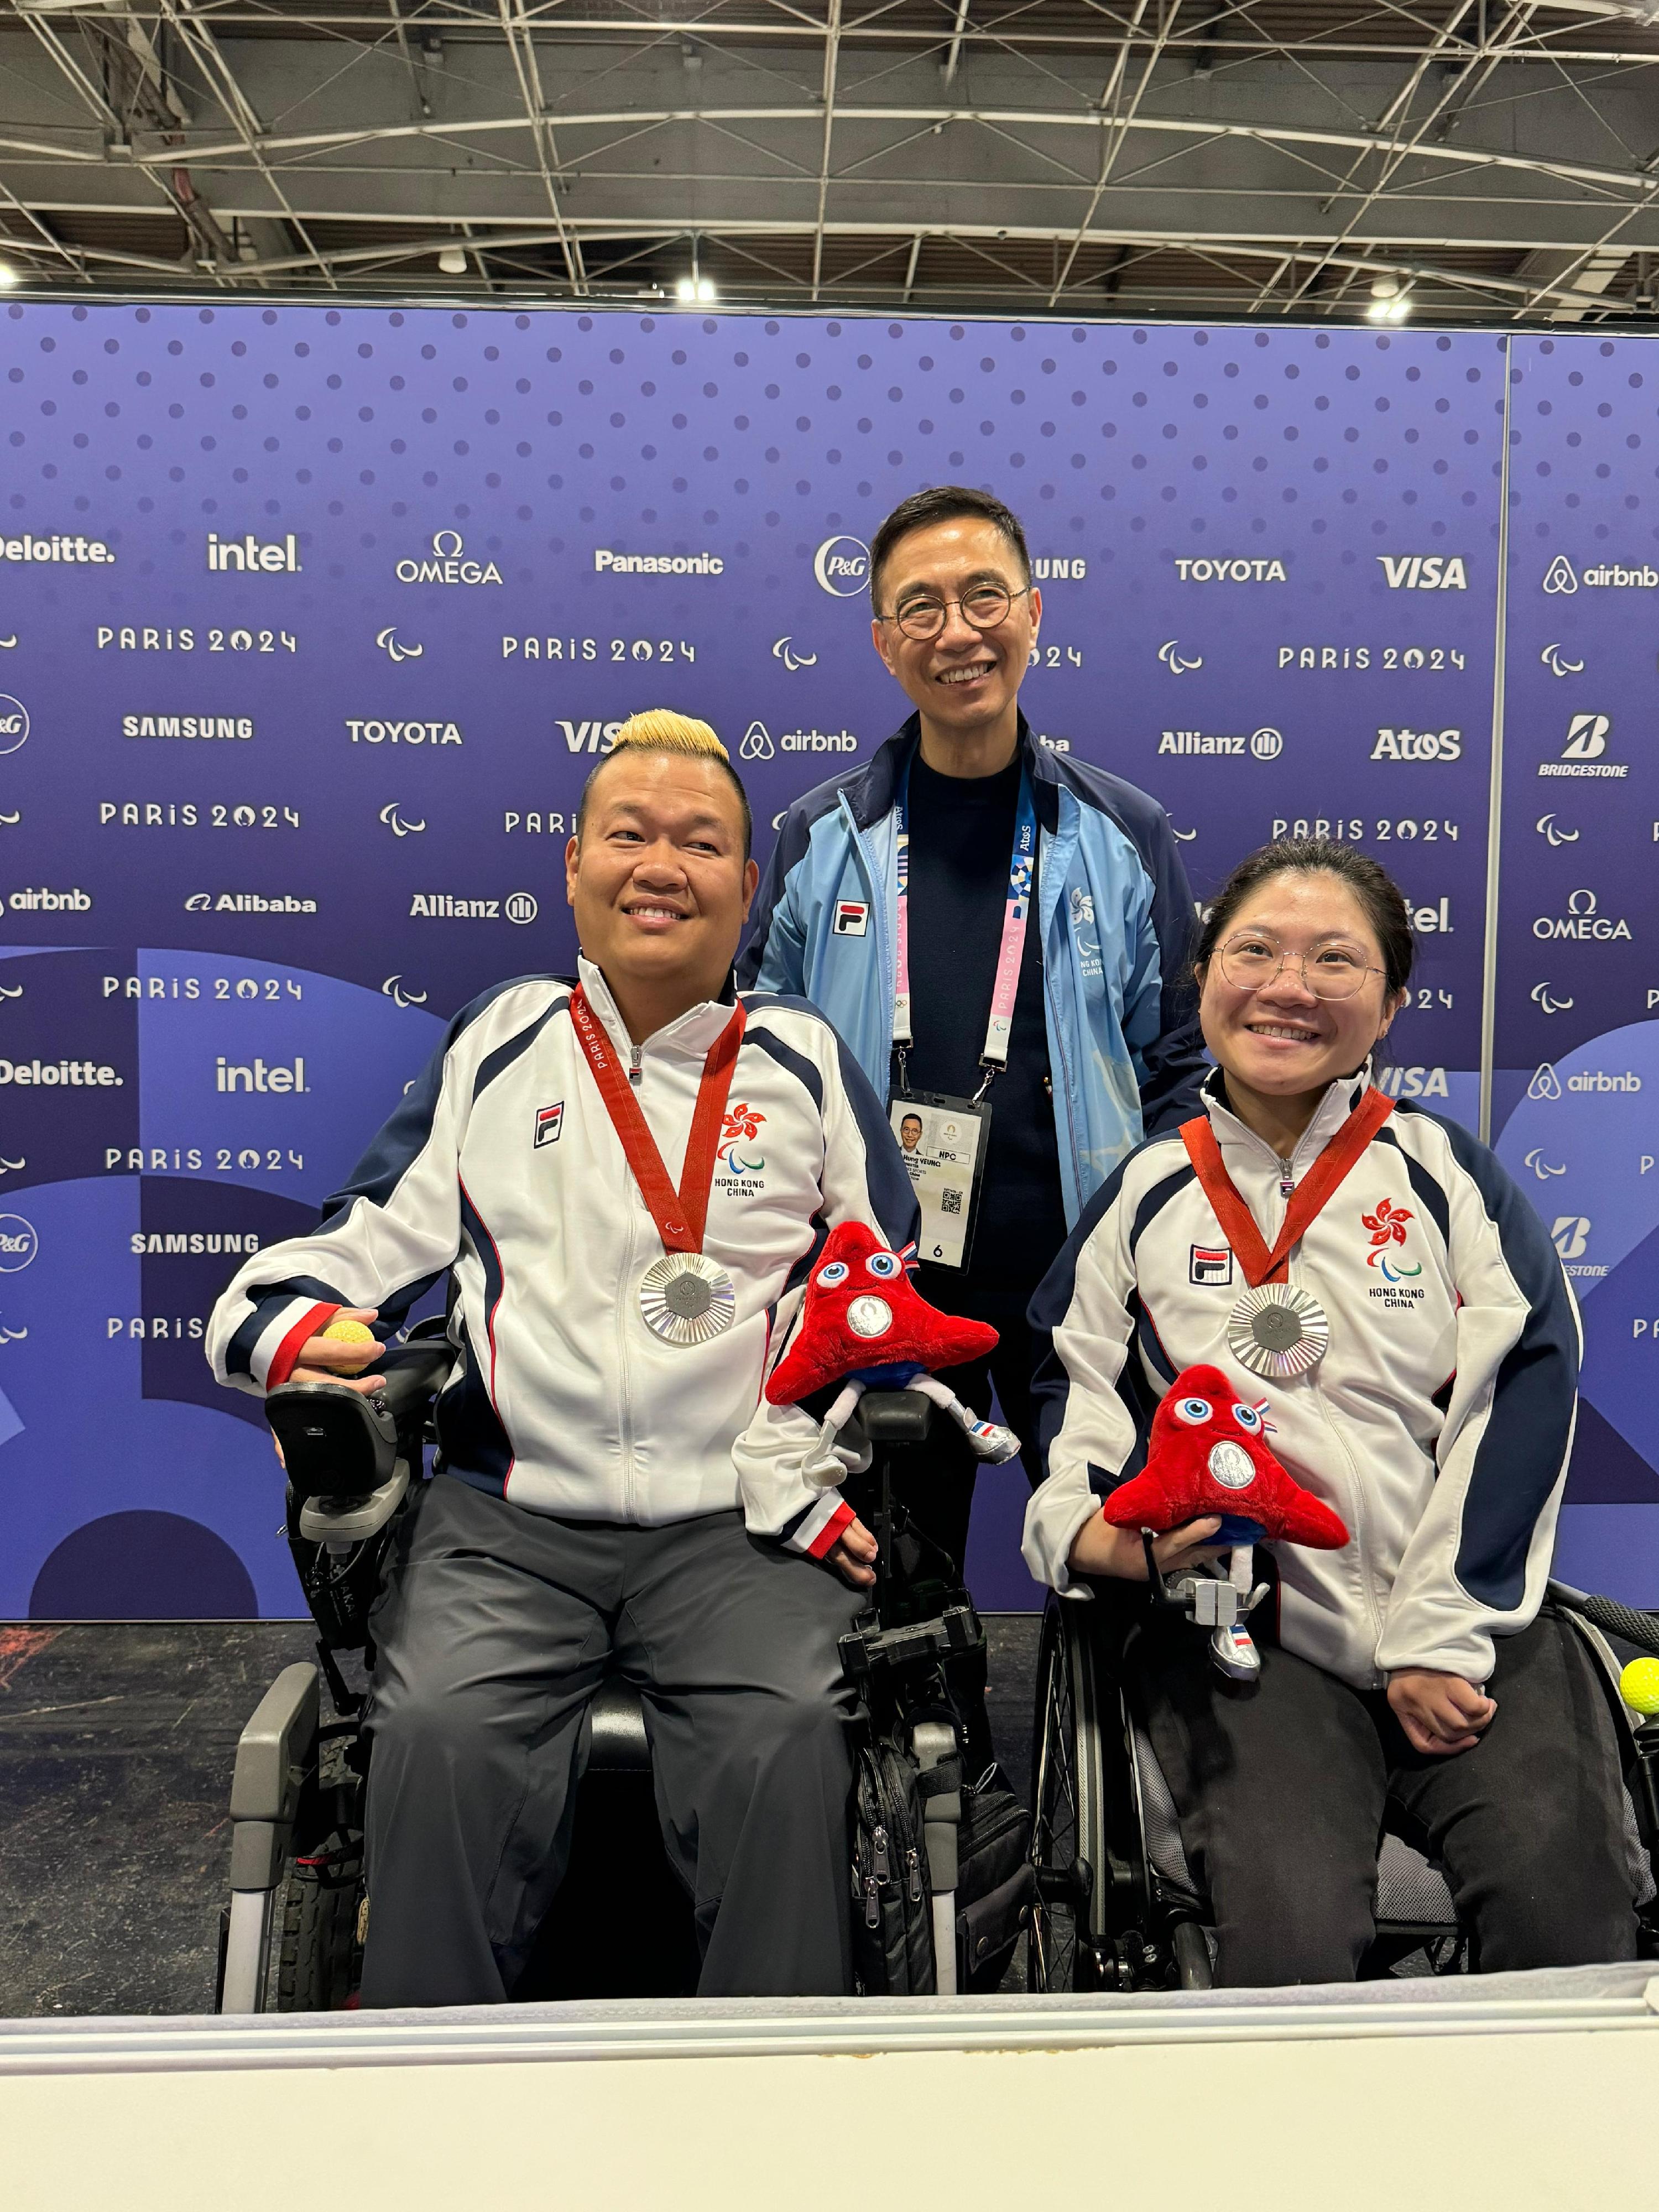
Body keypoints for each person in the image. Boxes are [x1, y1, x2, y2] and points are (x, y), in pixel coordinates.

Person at [207, 712, 916, 2006]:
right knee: (435, 1733)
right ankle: (430, 2117)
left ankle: (783, 2115)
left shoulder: (803, 1057)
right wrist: (293, 1331)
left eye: (701, 842)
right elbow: (350, 1246)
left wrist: (809, 1463)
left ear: (747, 888)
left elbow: (885, 1297)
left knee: (789, 1735)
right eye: (630, 835)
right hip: (508, 1520)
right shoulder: (504, 1038)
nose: (663, 865)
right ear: (575, 867)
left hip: (736, 1527)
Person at [1023, 837, 1640, 1985]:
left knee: (1570, 1926)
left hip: (1460, 1621)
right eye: (1255, 949)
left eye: (1335, 960)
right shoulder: (1149, 1190)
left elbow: (1530, 1375)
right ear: (1206, 975)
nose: (1289, 986)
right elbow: (1073, 1377)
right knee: (1291, 1941)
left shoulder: (1442, 1174)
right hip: (1250, 1634)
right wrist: (1089, 1528)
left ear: (1394, 1001)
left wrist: (1439, 1628)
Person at [739, 483, 1206, 1590]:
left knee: (1120, 1562)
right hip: (881, 1281)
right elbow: (755, 1061)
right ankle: (936, 1763)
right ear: (884, 641)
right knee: (895, 1583)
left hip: (1078, 1282)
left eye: (984, 595)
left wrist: (1144, 1250)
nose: (958, 630)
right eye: (923, 606)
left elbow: (1181, 1066)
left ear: (1034, 613)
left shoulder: (1122, 829)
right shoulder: (820, 834)